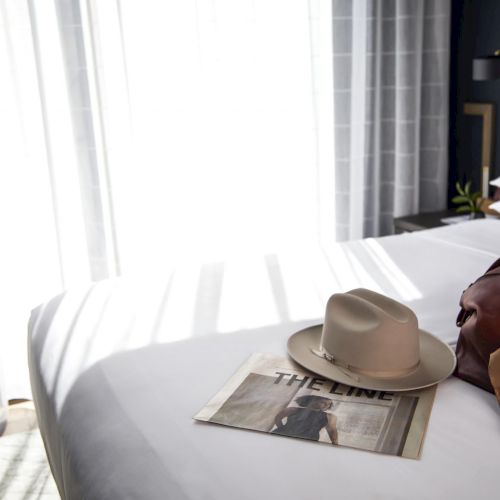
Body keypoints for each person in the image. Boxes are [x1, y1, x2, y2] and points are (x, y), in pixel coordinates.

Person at [272, 395, 338, 445]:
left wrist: (335, 444)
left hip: (308, 441)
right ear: (313, 401)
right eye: (323, 402)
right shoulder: (292, 409)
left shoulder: (330, 416)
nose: (326, 405)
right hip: (282, 437)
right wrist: (282, 429)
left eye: (329, 404)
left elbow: (332, 431)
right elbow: (278, 418)